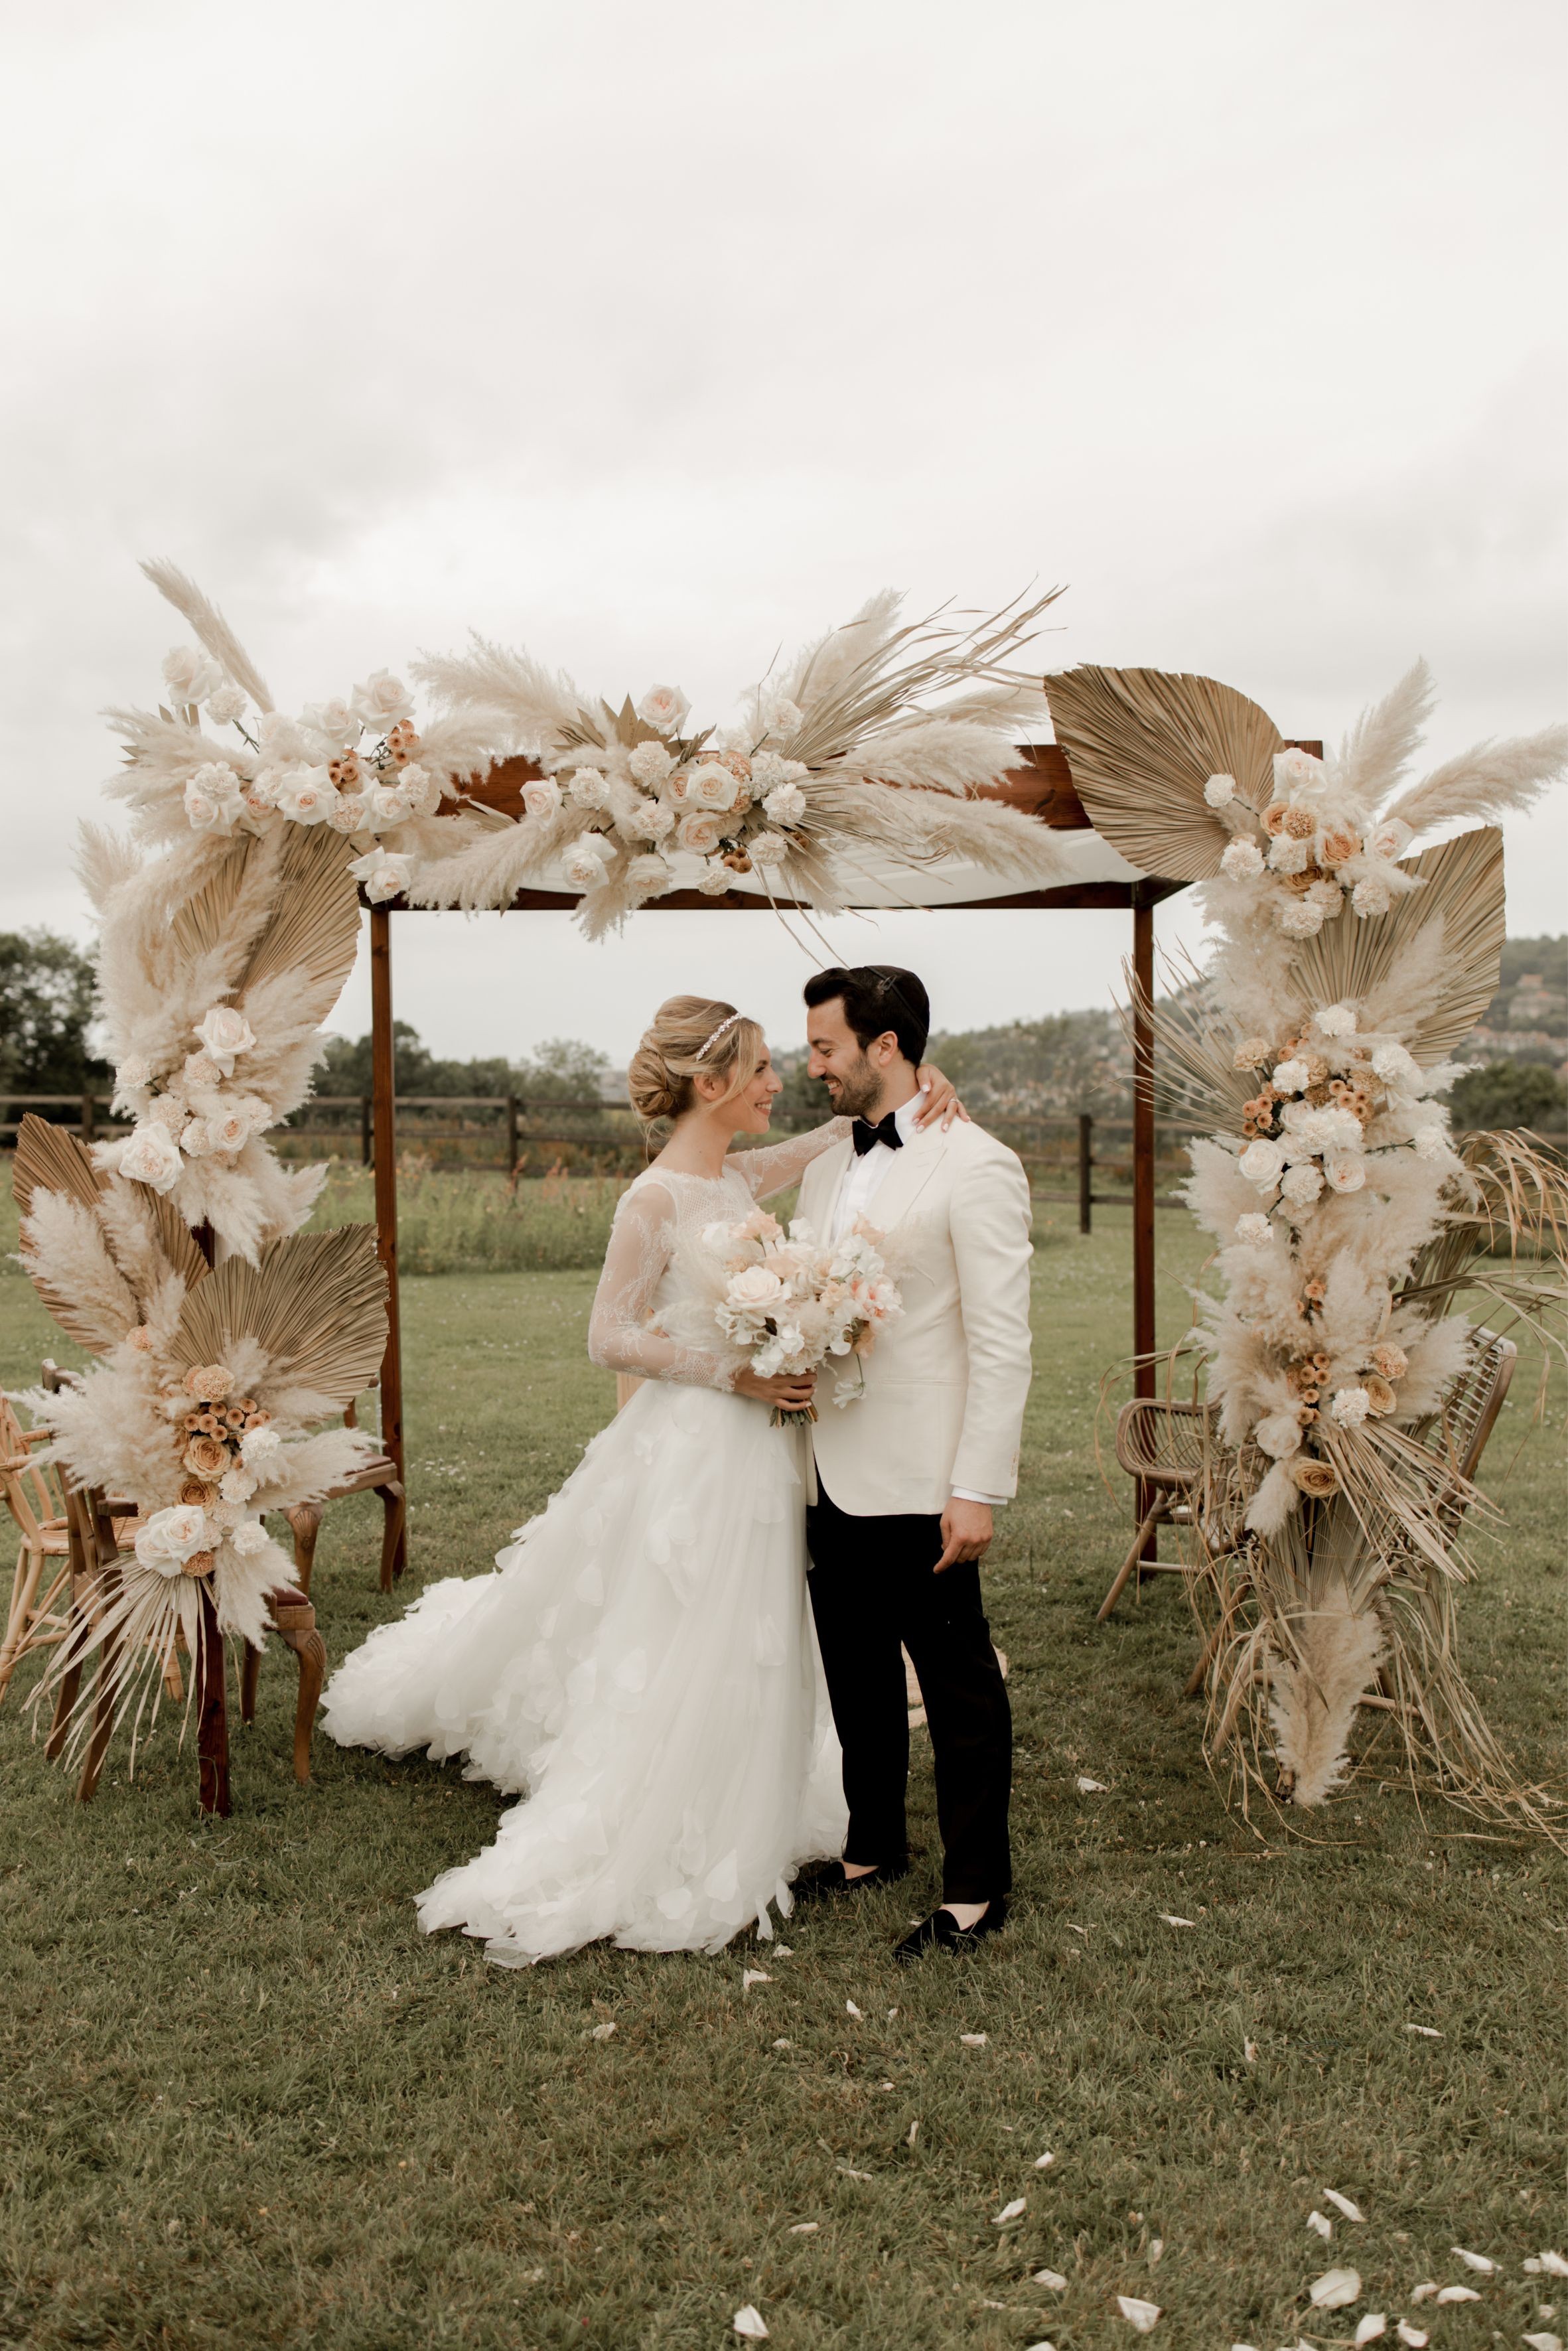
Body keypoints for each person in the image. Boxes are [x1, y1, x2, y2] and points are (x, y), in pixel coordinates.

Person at [319, 995, 965, 1965]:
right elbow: (607, 1336)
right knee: (687, 1616)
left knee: (756, 1622)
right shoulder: (652, 1201)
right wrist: (739, 1371)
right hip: (701, 1440)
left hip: (765, 1445)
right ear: (711, 1085)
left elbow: (845, 1127)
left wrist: (918, 1093)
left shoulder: (741, 1173)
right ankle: (667, 1786)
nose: (778, 1082)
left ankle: (747, 1772)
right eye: (758, 1070)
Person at [793, 965, 1033, 1963]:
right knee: (855, 1673)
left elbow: (1002, 1339)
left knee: (958, 1683)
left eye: (824, 1049)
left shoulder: (976, 1164)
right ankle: (871, 1847)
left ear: (883, 1048)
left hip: (923, 1478)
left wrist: (975, 1486)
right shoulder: (823, 1167)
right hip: (824, 1466)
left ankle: (976, 1888)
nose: (812, 1066)